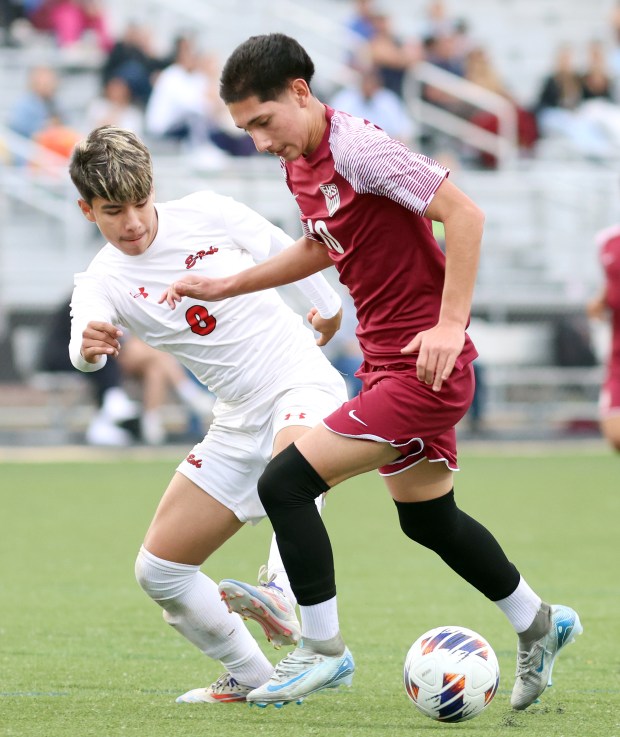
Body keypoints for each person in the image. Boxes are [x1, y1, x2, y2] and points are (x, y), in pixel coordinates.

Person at [161, 33, 582, 711]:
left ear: (300, 93)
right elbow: (321, 245)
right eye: (246, 130)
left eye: (264, 123)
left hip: (425, 369)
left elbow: (464, 216)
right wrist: (231, 284)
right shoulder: (300, 163)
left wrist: (450, 324)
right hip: (383, 362)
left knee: (285, 481)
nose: (261, 141)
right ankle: (539, 621)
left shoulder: (360, 148)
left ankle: (323, 650)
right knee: (429, 520)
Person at [68, 125, 348, 703]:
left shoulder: (208, 212)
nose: (133, 223)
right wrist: (87, 348)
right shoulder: (103, 278)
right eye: (113, 211)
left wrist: (327, 307)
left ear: (154, 190)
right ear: (87, 208)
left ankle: (280, 593)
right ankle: (254, 676)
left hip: (299, 380)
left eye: (140, 203)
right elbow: (84, 334)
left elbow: (283, 250)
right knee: (159, 570)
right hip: (235, 418)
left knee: (288, 477)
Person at [587, 223, 620, 451]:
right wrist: (601, 299)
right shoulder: (608, 239)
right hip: (618, 357)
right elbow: (610, 288)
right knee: (614, 434)